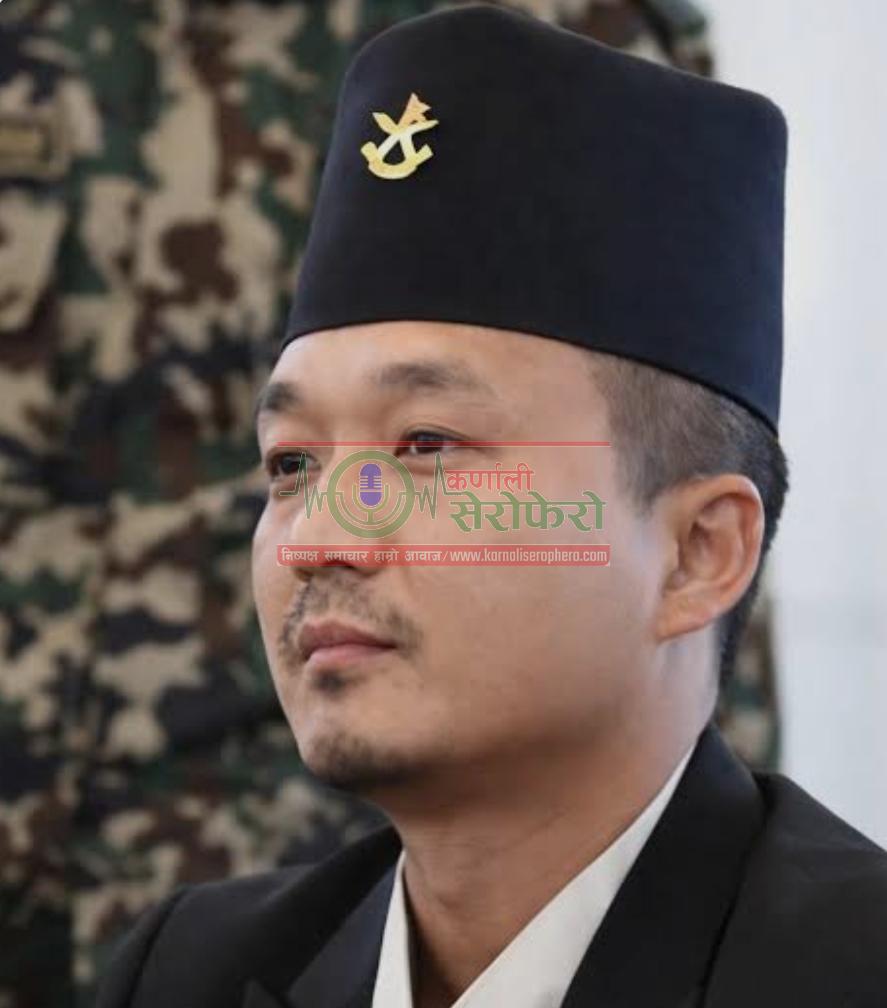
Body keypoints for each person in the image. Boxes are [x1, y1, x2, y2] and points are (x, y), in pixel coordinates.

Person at [95, 5, 887, 1008]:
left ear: (697, 552)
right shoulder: (189, 972)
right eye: (291, 463)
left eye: (426, 446)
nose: (319, 537)